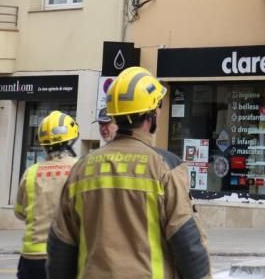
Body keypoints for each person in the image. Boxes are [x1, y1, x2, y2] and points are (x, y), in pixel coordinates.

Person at [47, 67, 210, 279]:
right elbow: (188, 244)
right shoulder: (165, 166)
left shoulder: (81, 168)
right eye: (159, 106)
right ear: (151, 115)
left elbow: (61, 246)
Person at [13, 111, 79, 279]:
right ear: (71, 140)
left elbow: (20, 212)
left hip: (31, 258)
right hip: (66, 255)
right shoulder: (79, 169)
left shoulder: (31, 172)